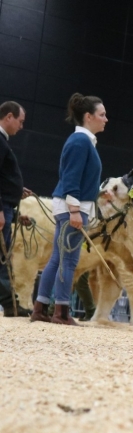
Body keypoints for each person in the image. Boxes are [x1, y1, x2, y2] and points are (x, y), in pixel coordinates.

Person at [30, 93, 106, 325]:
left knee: (57, 258)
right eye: (102, 115)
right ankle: (61, 311)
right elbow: (71, 177)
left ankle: (40, 308)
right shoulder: (81, 141)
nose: (106, 119)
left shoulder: (81, 141)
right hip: (73, 206)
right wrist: (74, 210)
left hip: (70, 204)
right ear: (88, 116)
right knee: (69, 260)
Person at [0, 101, 34, 317]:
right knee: (2, 258)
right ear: (9, 117)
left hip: (6, 204)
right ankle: (11, 303)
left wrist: (15, 189)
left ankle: (11, 302)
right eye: (20, 121)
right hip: (2, 207)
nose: (21, 126)